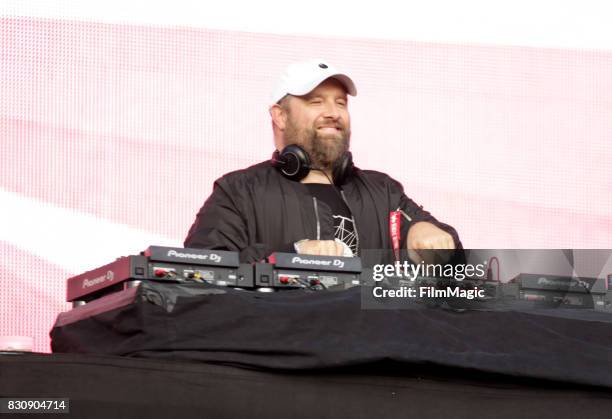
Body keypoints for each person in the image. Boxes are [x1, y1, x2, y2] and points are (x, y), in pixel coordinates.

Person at [185, 59, 461, 265]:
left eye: (340, 103)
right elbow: (203, 270)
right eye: (316, 102)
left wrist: (432, 237)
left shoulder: (383, 191)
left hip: (375, 340)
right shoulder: (239, 191)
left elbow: (455, 266)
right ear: (280, 116)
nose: (332, 113)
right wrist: (293, 254)